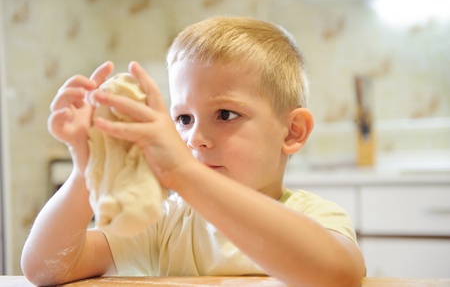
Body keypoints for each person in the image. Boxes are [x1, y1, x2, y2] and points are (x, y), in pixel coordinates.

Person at [21, 16, 365, 287]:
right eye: (183, 118)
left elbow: (338, 276)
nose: (195, 138)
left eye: (226, 115)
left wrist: (186, 173)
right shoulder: (167, 222)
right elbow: (46, 268)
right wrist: (90, 167)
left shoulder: (317, 217)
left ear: (292, 131)